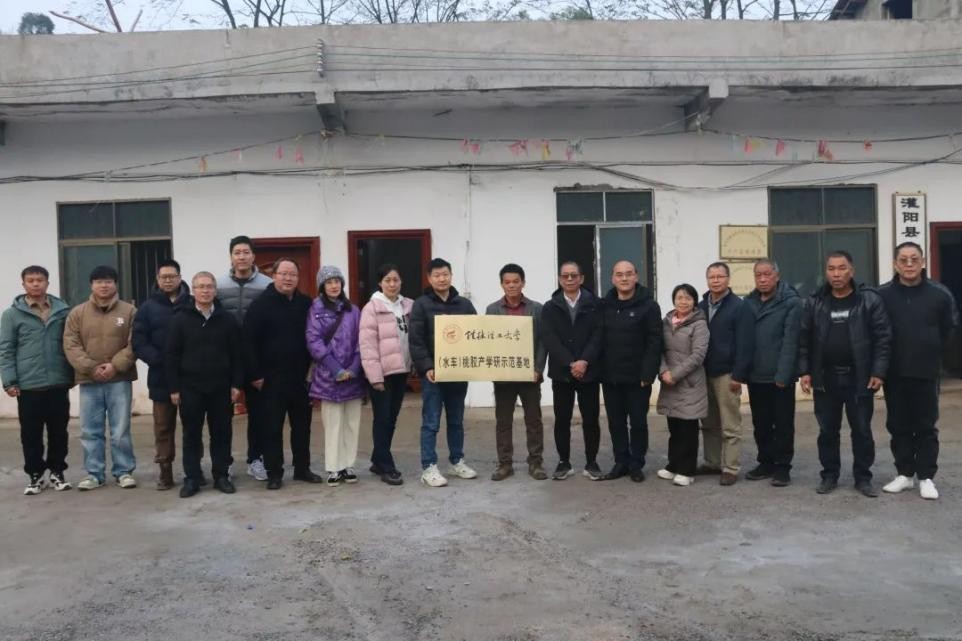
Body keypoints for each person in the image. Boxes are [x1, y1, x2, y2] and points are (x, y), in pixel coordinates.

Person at [799, 251, 891, 498]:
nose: (836, 274)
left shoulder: (868, 300)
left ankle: (863, 477)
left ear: (852, 271)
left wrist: (878, 371)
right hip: (825, 378)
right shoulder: (815, 302)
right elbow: (804, 339)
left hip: (859, 377)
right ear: (826, 272)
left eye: (842, 268)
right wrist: (805, 371)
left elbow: (883, 338)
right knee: (827, 431)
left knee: (861, 430)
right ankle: (829, 475)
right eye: (831, 269)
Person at [878, 242, 958, 500]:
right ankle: (904, 474)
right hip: (895, 372)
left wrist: (932, 351)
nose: (909, 264)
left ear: (923, 262)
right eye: (903, 259)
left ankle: (926, 477)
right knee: (898, 425)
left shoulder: (939, 294)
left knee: (926, 426)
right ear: (895, 264)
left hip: (926, 371)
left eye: (914, 259)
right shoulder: (883, 295)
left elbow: (950, 329)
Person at [243, 258, 320, 490]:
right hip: (270, 380)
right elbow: (248, 343)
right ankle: (274, 473)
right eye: (283, 274)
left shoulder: (306, 304)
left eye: (293, 274)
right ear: (274, 275)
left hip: (300, 378)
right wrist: (255, 375)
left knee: (302, 427)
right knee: (272, 428)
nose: (288, 278)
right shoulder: (260, 305)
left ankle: (302, 468)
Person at [166, 272, 243, 498]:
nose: (205, 290)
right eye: (200, 287)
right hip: (190, 388)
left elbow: (238, 355)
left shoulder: (227, 319)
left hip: (221, 388)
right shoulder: (180, 319)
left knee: (222, 433)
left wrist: (237, 384)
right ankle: (192, 478)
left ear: (215, 290)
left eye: (209, 286)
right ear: (193, 291)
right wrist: (173, 388)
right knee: (191, 434)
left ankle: (221, 476)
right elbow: (171, 355)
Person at [63, 265, 138, 491]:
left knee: (120, 429)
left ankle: (123, 472)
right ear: (91, 285)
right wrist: (91, 367)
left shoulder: (129, 311)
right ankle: (94, 474)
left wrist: (115, 366)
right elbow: (71, 344)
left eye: (108, 281)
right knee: (90, 430)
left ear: (115, 284)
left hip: (119, 379)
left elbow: (135, 343)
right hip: (89, 381)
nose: (103, 286)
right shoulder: (78, 313)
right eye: (98, 281)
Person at [0, 265, 75, 495]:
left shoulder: (62, 311)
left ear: (47, 283)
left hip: (58, 382)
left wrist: (73, 374)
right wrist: (9, 381)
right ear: (23, 284)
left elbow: (71, 344)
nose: (35, 284)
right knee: (31, 434)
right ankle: (35, 475)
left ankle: (57, 472)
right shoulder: (12, 315)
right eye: (30, 280)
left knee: (59, 432)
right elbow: (6, 349)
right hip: (28, 385)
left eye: (39, 280)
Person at [409, 258, 478, 487]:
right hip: (434, 375)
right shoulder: (421, 305)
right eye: (437, 275)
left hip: (458, 372)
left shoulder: (464, 305)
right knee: (431, 422)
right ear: (429, 278)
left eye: (445, 274)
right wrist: (427, 367)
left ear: (451, 276)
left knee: (456, 420)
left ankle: (457, 461)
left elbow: (477, 335)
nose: (442, 279)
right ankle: (428, 466)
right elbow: (416, 340)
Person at [599, 260, 662, 482]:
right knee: (616, 423)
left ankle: (636, 463)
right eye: (619, 274)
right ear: (612, 278)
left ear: (636, 276)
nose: (624, 278)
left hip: (638, 378)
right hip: (611, 377)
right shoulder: (604, 305)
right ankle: (621, 462)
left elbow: (655, 342)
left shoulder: (649, 306)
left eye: (628, 274)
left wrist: (648, 374)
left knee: (638, 423)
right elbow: (598, 339)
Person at [541, 261, 604, 481]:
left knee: (591, 419)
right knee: (562, 419)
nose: (569, 279)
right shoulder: (550, 307)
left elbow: (599, 335)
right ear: (560, 279)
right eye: (565, 276)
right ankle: (563, 462)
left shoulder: (596, 304)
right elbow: (549, 338)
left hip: (589, 371)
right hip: (562, 372)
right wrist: (571, 362)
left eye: (574, 275)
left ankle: (591, 462)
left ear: (582, 278)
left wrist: (584, 360)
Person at [217, 235, 272, 482]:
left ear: (253, 256)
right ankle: (224, 462)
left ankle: (255, 459)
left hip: (255, 357)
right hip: (225, 358)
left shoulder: (267, 285)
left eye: (246, 252)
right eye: (237, 252)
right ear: (231, 256)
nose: (242, 257)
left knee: (258, 413)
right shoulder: (218, 285)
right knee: (222, 414)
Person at [485, 263, 548, 481]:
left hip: (529, 375)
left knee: (534, 421)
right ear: (501, 284)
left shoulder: (537, 309)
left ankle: (536, 463)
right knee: (503, 422)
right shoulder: (492, 310)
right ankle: (504, 464)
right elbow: (488, 341)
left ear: (523, 283)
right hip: (503, 376)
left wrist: (538, 369)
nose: (512, 285)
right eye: (507, 282)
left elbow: (543, 342)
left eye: (516, 281)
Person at [132, 259, 190, 490]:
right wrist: (159, 360)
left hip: (190, 376)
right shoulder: (147, 308)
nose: (167, 280)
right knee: (163, 427)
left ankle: (193, 471)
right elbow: (139, 341)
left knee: (192, 426)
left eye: (172, 276)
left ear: (179, 277)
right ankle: (165, 471)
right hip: (160, 377)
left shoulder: (192, 303)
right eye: (163, 277)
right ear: (157, 279)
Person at [743, 259, 802, 487]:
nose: (763, 279)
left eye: (767, 274)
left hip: (780, 376)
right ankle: (765, 462)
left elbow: (791, 341)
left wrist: (783, 375)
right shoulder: (749, 302)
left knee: (783, 424)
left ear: (777, 276)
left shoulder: (791, 302)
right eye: (758, 275)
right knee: (761, 424)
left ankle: (783, 467)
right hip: (756, 375)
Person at [307, 265, 366, 487]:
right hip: (328, 376)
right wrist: (335, 369)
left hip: (352, 376)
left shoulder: (354, 310)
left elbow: (362, 340)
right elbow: (313, 341)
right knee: (332, 424)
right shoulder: (315, 309)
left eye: (337, 281)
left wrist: (354, 368)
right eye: (329, 282)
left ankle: (349, 465)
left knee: (352, 422)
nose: (334, 285)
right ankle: (334, 467)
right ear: (322, 286)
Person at [697, 262, 754, 486]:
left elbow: (745, 344)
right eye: (712, 277)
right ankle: (712, 462)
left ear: (728, 279)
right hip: (703, 373)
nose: (716, 280)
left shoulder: (739, 307)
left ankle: (730, 467)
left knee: (730, 423)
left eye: (720, 276)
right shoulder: (700, 306)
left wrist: (738, 375)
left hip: (727, 374)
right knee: (708, 422)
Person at [359, 264, 413, 486]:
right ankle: (386, 465)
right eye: (387, 280)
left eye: (396, 280)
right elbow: (367, 345)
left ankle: (377, 458)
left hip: (402, 370)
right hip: (381, 373)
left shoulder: (409, 305)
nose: (392, 284)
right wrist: (375, 377)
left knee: (391, 418)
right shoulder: (371, 308)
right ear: (380, 283)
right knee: (382, 418)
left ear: (401, 282)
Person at [656, 284, 709, 487]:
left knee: (688, 429)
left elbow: (698, 355)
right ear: (674, 300)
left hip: (689, 383)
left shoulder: (699, 324)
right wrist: (663, 372)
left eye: (688, 298)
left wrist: (675, 374)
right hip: (669, 382)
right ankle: (673, 465)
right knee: (675, 428)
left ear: (694, 301)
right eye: (679, 297)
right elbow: (659, 350)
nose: (683, 301)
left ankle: (687, 470)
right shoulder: (666, 322)